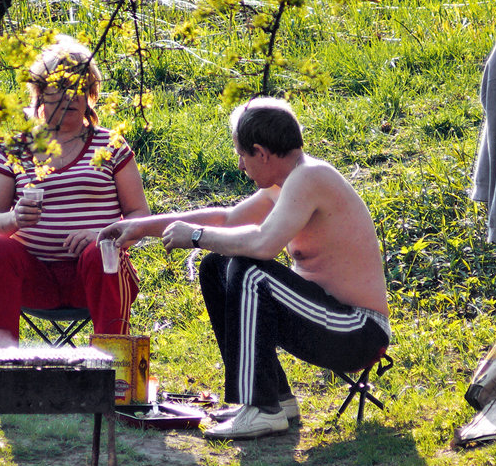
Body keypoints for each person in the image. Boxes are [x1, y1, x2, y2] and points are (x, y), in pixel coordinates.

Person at [101, 97, 390, 439]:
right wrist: (141, 227)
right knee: (216, 265)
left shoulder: (310, 177)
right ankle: (277, 400)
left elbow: (263, 243)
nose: (240, 165)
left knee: (249, 269)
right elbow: (229, 218)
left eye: (242, 154)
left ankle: (261, 407)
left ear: (261, 152)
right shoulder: (287, 183)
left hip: (357, 330)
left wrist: (195, 236)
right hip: (323, 317)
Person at [0, 35, 151, 356]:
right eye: (60, 89)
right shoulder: (15, 147)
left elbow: (141, 217)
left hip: (96, 276)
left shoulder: (110, 145)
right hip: (33, 278)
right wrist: (13, 219)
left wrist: (102, 234)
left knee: (101, 251)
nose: (70, 97)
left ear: (91, 94)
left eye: (80, 88)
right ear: (40, 94)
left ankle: (114, 369)